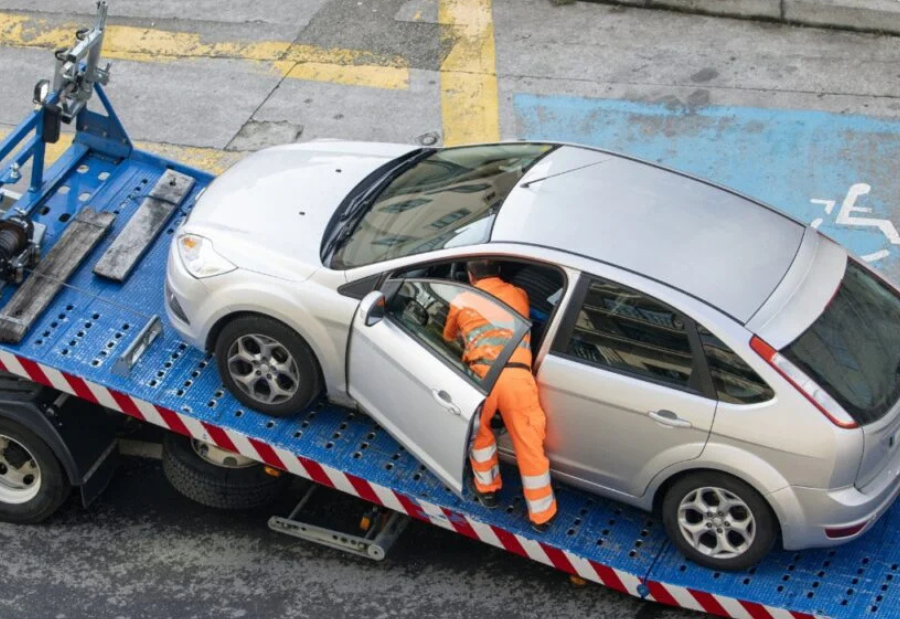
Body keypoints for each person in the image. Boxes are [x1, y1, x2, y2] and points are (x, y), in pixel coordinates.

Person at [442, 260, 557, 532]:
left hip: (482, 377)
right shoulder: (519, 294)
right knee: (529, 443)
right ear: (500, 272)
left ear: (470, 276)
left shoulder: (461, 301)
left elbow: (448, 337)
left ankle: (488, 490)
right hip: (517, 376)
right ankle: (542, 515)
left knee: (479, 435)